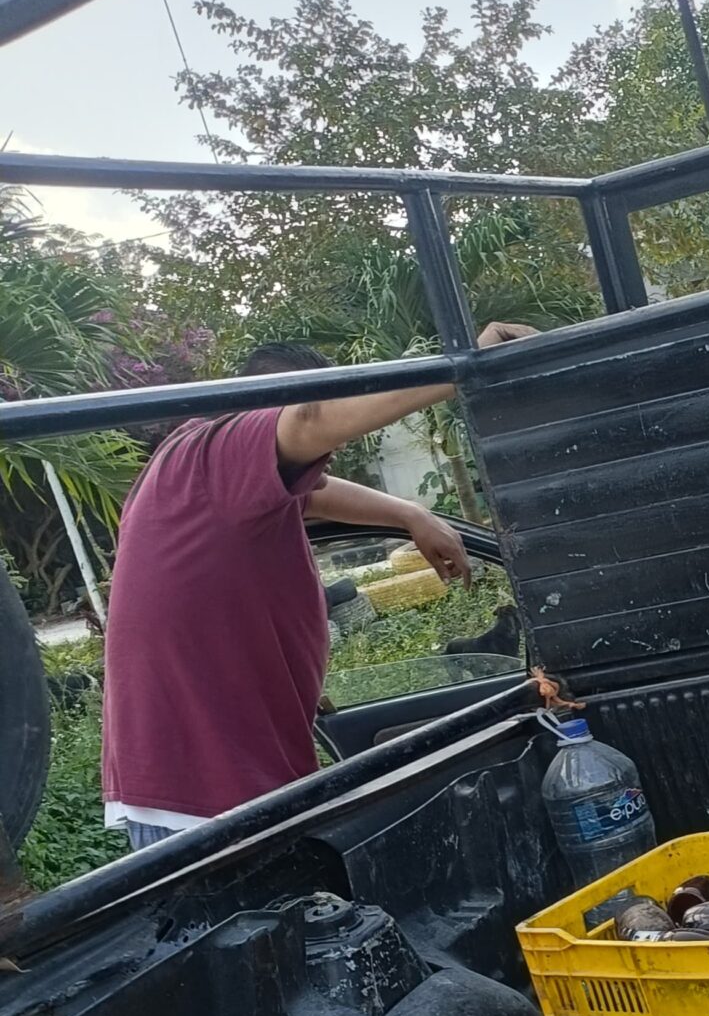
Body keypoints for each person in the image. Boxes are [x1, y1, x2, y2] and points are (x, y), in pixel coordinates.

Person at [101, 327, 532, 848]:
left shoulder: (207, 470)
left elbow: (317, 495)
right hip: (207, 801)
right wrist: (465, 361)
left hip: (216, 783)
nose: (334, 442)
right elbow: (308, 420)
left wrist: (409, 513)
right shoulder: (218, 451)